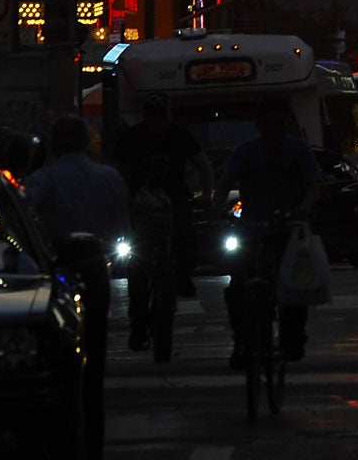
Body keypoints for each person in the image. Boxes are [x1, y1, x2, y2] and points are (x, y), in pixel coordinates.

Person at [25, 115, 129, 456]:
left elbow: (27, 214)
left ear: (54, 144)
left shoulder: (45, 179)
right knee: (94, 358)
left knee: (58, 354)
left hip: (61, 265)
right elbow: (120, 225)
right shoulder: (109, 177)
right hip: (96, 264)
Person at [217, 94, 322, 369]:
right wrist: (214, 208)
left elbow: (314, 186)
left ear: (286, 123)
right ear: (258, 124)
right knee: (237, 287)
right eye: (268, 123)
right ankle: (242, 340)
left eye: (278, 123)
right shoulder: (245, 152)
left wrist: (303, 209)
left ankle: (293, 338)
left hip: (288, 229)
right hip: (252, 231)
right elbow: (224, 184)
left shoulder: (299, 151)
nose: (273, 129)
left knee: (296, 287)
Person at [111, 92, 208, 349]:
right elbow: (117, 171)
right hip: (140, 207)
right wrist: (121, 200)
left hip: (175, 203)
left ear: (168, 115)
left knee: (186, 241)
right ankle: (138, 324)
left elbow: (203, 166)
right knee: (137, 266)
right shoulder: (132, 137)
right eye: (152, 115)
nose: (156, 120)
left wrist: (206, 196)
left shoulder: (181, 135)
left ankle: (184, 274)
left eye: (160, 115)